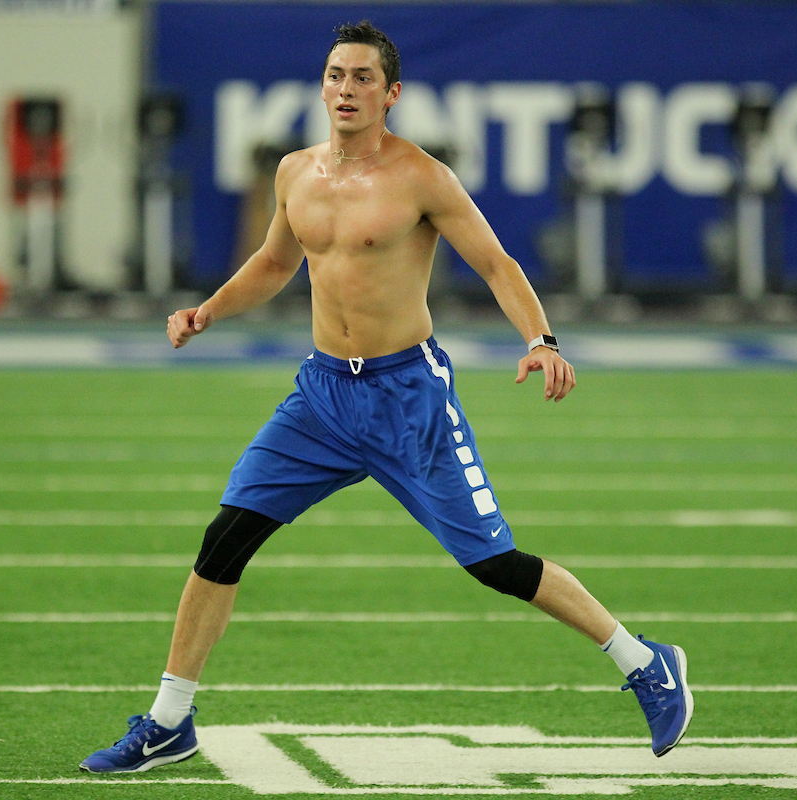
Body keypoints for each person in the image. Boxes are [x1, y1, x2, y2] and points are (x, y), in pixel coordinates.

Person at [80, 20, 692, 774]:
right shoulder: (295, 172)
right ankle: (171, 719)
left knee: (493, 563)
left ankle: (645, 662)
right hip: (323, 398)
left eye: (363, 78)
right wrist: (208, 311)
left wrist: (542, 340)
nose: (346, 89)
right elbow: (275, 265)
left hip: (409, 399)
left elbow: (498, 264)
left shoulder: (421, 178)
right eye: (337, 75)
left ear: (391, 94)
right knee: (224, 540)